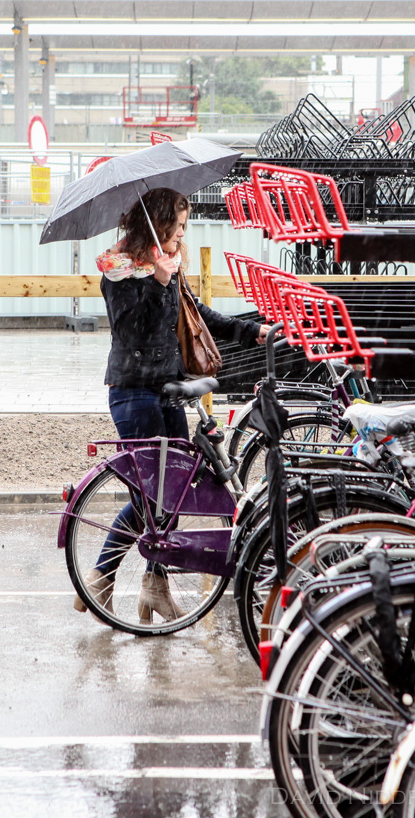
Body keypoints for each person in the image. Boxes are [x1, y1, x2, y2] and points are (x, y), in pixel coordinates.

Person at [73, 187, 269, 622]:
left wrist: (249, 330)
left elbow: (195, 315)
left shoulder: (170, 265)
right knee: (149, 499)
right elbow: (130, 331)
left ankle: (153, 586)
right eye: (178, 225)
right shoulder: (118, 268)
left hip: (169, 390)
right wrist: (158, 281)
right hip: (133, 392)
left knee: (173, 494)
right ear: (159, 226)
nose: (184, 232)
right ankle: (102, 579)